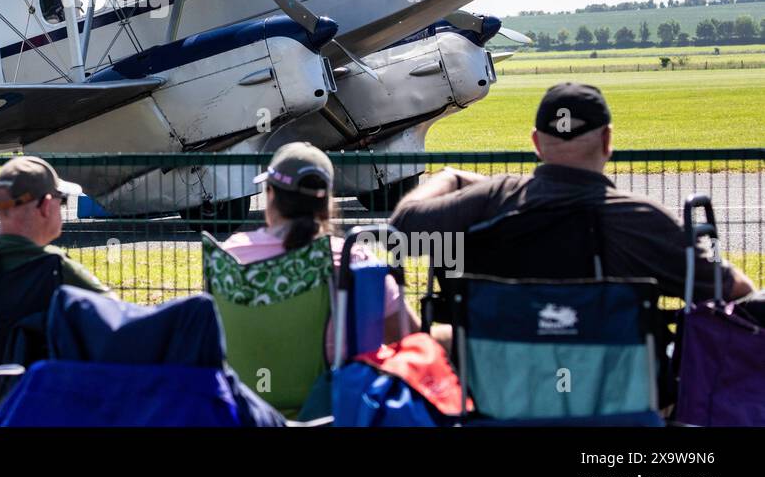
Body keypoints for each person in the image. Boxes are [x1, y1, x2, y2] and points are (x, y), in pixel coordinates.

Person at [390, 83, 755, 302]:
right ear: (608, 140)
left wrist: (450, 177)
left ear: (536, 143)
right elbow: (734, 290)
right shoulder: (642, 220)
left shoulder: (491, 201)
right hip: (618, 405)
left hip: (498, 397)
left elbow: (402, 226)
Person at [221, 142, 419, 360]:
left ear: (270, 195)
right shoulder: (352, 260)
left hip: (243, 390)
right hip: (335, 391)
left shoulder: (231, 254)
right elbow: (409, 337)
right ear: (327, 204)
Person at [0, 156, 109, 293]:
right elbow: (115, 313)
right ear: (45, 206)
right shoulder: (56, 267)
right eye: (62, 200)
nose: (62, 207)